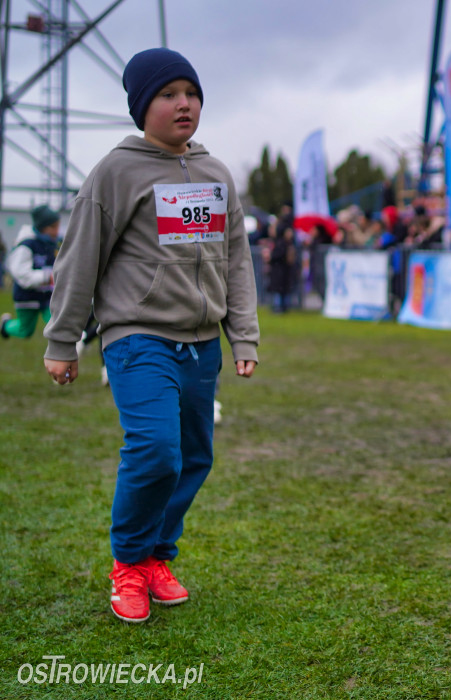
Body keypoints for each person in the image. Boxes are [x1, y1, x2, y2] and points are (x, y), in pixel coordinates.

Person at [42, 48, 260, 624]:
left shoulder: (216, 174)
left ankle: (159, 556)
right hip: (137, 338)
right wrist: (63, 342)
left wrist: (244, 336)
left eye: (190, 92)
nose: (183, 103)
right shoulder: (115, 172)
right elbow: (78, 260)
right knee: (156, 451)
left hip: (201, 344)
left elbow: (236, 262)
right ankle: (128, 567)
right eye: (167, 94)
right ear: (143, 107)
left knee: (193, 457)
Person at [1, 205, 61, 340]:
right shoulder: (26, 246)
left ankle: (61, 354)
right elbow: (21, 274)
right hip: (27, 297)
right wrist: (47, 277)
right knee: (25, 331)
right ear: (42, 227)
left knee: (57, 325)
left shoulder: (52, 244)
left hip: (47, 296)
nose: (57, 231)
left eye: (58, 226)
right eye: (53, 227)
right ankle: (5, 325)